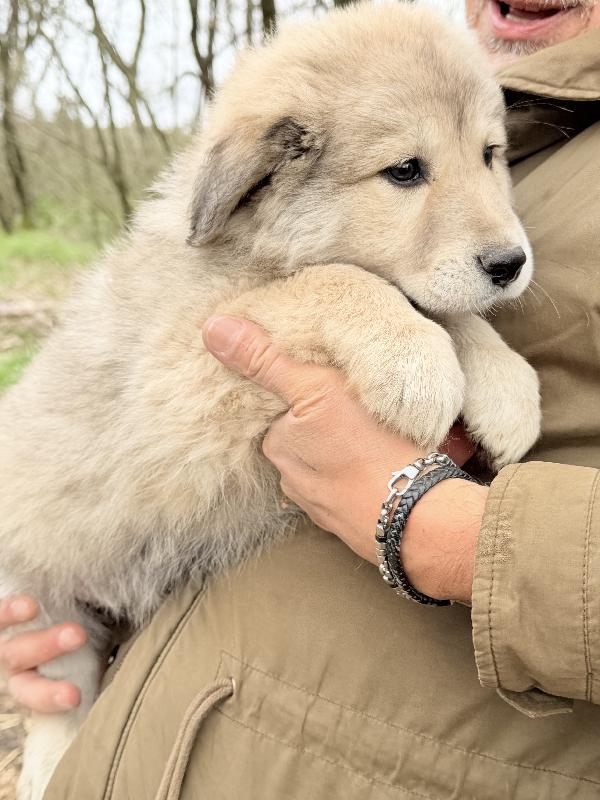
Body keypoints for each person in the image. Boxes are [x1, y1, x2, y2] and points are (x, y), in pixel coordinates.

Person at [2, 1, 600, 796]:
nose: (502, 232)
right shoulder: (476, 90)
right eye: (406, 170)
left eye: (490, 155)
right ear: (262, 176)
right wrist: (342, 307)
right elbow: (189, 385)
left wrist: (446, 529)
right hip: (107, 646)